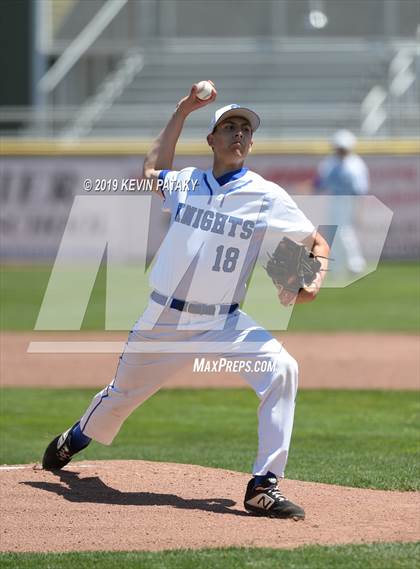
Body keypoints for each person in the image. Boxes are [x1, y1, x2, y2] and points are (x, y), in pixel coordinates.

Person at [42, 82, 329, 520]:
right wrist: (182, 109)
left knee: (283, 370)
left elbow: (317, 241)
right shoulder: (187, 181)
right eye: (229, 127)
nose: (239, 135)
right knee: (120, 398)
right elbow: (152, 169)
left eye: (246, 129)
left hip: (224, 323)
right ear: (211, 139)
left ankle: (263, 485)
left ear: (252, 142)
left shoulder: (266, 195)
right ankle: (76, 436)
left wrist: (311, 280)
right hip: (164, 318)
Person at [312, 129, 369, 275]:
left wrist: (359, 209)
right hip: (334, 200)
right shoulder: (330, 162)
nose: (341, 151)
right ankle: (336, 265)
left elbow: (360, 190)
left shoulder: (356, 164)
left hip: (348, 200)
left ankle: (356, 264)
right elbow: (321, 183)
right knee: (332, 232)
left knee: (345, 232)